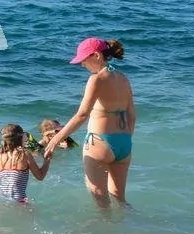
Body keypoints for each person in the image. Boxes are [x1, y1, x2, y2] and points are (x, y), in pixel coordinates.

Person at [44, 38, 135, 207]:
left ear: (97, 55)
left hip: (100, 142)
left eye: (84, 60)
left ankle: (104, 225)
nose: (82, 64)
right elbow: (132, 115)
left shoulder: (97, 79)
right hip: (124, 143)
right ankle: (132, 222)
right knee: (120, 200)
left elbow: (82, 115)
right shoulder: (123, 77)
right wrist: (126, 139)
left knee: (101, 201)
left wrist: (56, 140)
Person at [0, 122, 50, 203]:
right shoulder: (25, 154)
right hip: (20, 202)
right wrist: (47, 160)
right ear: (21, 138)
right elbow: (40, 177)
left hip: (3, 201)